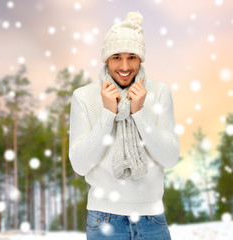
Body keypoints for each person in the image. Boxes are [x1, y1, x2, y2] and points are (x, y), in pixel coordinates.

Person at [68, 11, 179, 240]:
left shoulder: (159, 93)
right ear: (106, 59)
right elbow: (80, 164)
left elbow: (169, 158)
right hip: (104, 220)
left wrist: (139, 113)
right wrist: (108, 113)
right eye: (116, 57)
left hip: (153, 220)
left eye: (132, 57)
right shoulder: (84, 96)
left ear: (141, 59)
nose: (125, 66)